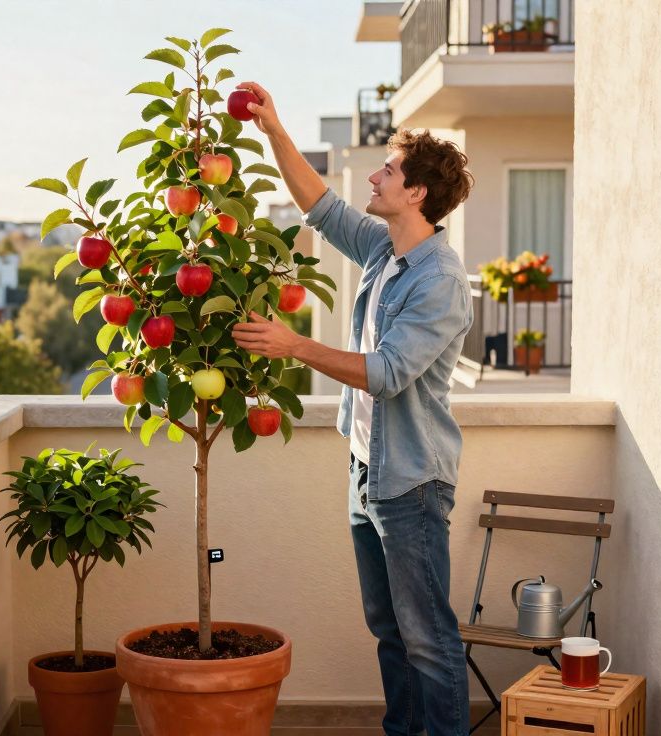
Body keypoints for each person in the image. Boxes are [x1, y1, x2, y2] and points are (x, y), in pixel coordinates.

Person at [230, 81, 475, 736]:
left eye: (389, 171)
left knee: (428, 638)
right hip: (368, 471)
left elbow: (390, 373)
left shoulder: (440, 279)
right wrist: (273, 129)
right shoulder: (382, 249)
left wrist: (293, 344)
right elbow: (321, 204)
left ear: (417, 192)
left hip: (412, 481)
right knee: (390, 632)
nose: (375, 175)